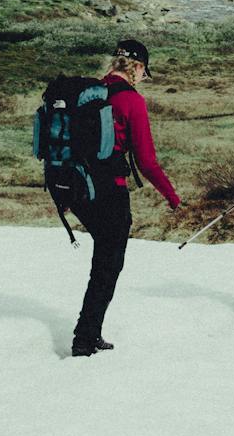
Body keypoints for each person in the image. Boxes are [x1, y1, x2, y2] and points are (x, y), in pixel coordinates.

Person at [67, 39, 181, 357]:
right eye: (144, 72)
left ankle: (89, 333)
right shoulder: (131, 100)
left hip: (78, 189)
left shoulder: (90, 92)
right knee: (108, 265)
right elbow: (146, 161)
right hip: (109, 192)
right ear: (138, 67)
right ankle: (84, 340)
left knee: (103, 261)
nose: (143, 78)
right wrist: (171, 195)